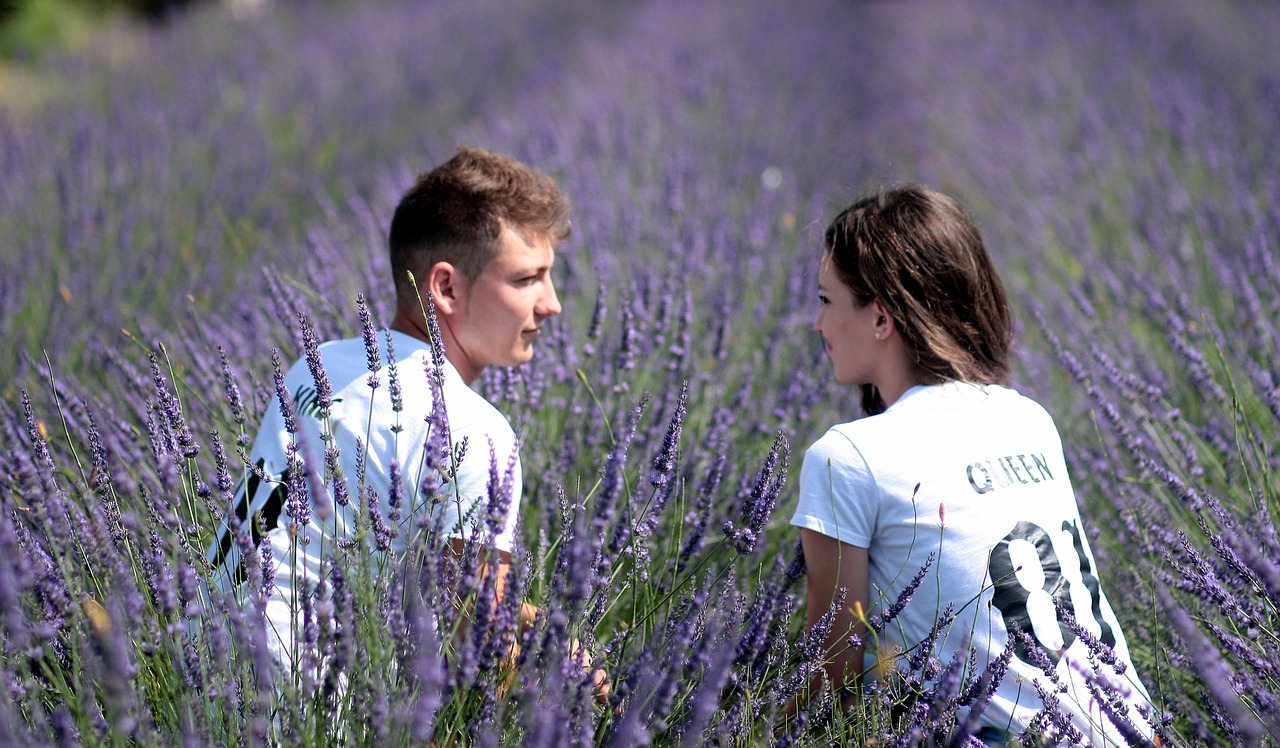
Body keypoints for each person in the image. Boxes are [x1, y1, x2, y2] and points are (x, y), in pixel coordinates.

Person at [208, 146, 606, 700]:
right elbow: (482, 662)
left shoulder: (318, 365)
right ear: (445, 288)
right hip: (302, 710)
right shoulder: (478, 436)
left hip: (196, 670)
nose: (552, 304)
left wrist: (527, 621)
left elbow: (331, 545)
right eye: (526, 280)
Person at [789, 185, 1151, 744]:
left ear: (881, 318)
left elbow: (831, 676)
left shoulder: (846, 459)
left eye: (825, 300)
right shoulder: (1029, 418)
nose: (817, 324)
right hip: (1135, 730)